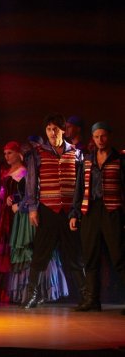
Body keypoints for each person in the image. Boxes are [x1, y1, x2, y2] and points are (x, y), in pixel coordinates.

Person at [21, 113, 86, 309]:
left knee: (74, 254)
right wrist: (32, 209)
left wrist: (77, 210)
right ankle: (31, 294)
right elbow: (31, 182)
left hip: (69, 212)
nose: (51, 133)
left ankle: (86, 295)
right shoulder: (38, 153)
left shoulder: (76, 153)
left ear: (63, 130)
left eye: (55, 129)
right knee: (40, 253)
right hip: (47, 210)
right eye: (48, 129)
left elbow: (81, 184)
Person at [71, 122, 125, 312]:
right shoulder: (87, 160)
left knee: (119, 256)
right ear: (92, 138)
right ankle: (92, 299)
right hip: (90, 211)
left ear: (109, 136)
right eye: (96, 136)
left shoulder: (120, 159)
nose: (100, 140)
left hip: (112, 211)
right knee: (90, 256)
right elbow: (79, 188)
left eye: (103, 136)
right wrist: (74, 213)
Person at [0, 141, 26, 302]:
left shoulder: (23, 171)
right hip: (5, 213)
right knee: (3, 244)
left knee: (13, 244)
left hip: (16, 213)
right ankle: (2, 290)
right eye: (5, 153)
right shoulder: (7, 171)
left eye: (10, 153)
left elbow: (26, 192)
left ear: (18, 153)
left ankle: (15, 289)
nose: (7, 156)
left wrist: (15, 198)